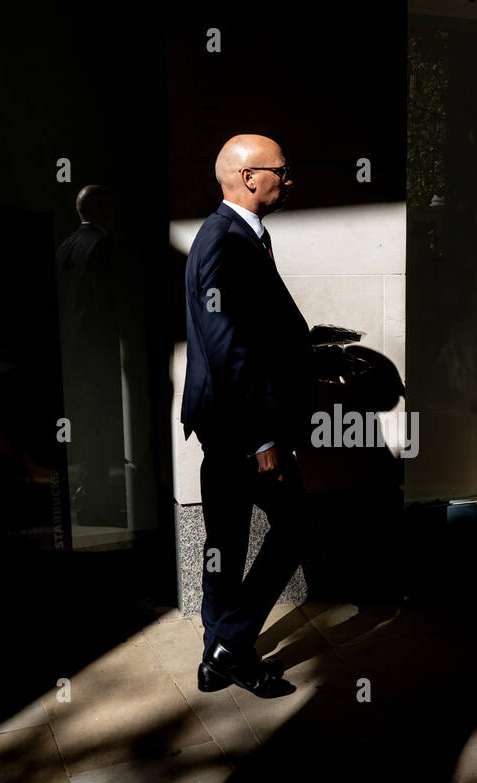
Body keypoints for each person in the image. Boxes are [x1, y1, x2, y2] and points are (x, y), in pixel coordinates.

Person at [182, 134, 315, 699]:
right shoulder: (222, 239)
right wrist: (261, 435)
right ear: (250, 177)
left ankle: (215, 659)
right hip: (242, 426)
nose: (289, 180)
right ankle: (232, 645)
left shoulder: (241, 236)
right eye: (282, 171)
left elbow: (251, 332)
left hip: (232, 423)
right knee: (298, 525)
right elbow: (225, 345)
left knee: (225, 541)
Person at [55, 185, 124, 526]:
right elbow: (104, 303)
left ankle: (85, 491)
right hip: (97, 350)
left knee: (85, 424)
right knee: (102, 425)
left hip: (72, 350)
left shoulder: (65, 246)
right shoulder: (101, 245)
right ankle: (96, 499)